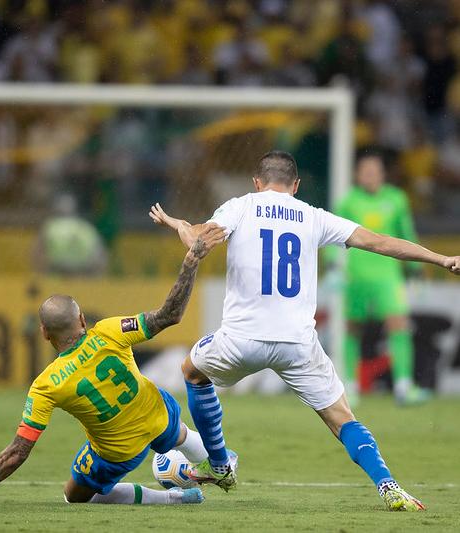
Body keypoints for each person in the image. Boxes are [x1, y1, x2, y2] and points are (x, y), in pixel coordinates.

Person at [149, 150, 459, 512]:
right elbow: (379, 242)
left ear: (256, 182)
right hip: (297, 343)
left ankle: (218, 464)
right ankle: (389, 486)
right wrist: (441, 259)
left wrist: (180, 226)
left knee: (192, 371)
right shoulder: (313, 216)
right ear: (295, 186)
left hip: (242, 338)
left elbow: (198, 242)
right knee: (343, 418)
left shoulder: (241, 206)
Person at [0, 225, 227, 506]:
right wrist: (191, 261)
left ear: (44, 332)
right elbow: (169, 315)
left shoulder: (46, 385)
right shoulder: (110, 330)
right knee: (173, 429)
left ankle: (174, 498)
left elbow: (18, 452)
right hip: (159, 413)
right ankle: (221, 462)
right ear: (82, 320)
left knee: (74, 496)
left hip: (119, 451)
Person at [333, 151, 427, 405]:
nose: (370, 176)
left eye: (374, 172)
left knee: (398, 324)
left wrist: (416, 270)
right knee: (353, 328)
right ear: (357, 175)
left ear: (382, 174)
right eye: (365, 172)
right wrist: (333, 266)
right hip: (357, 275)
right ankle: (350, 387)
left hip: (388, 274)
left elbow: (405, 232)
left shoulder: (396, 199)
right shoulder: (348, 201)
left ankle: (403, 387)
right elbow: (332, 236)